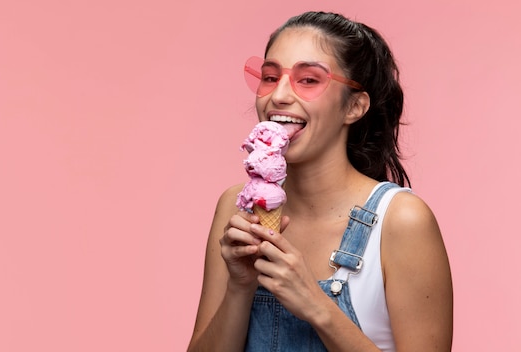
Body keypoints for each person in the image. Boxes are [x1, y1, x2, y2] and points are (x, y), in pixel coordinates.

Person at [187, 11, 453, 352]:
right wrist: (240, 287)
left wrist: (317, 307)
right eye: (269, 77)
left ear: (354, 107)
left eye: (308, 80)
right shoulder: (237, 206)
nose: (278, 96)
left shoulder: (401, 220)